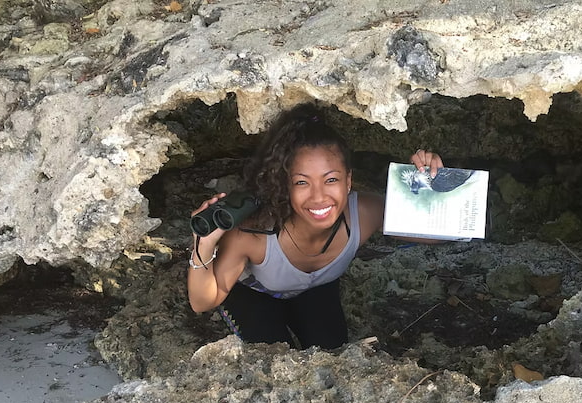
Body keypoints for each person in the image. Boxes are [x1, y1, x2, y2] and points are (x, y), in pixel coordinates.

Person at [187, 102, 444, 350]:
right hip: (254, 295)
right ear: (285, 184)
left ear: (349, 180)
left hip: (316, 291)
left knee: (332, 354)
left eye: (331, 179)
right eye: (301, 182)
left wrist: (429, 185)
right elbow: (202, 301)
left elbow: (440, 234)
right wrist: (204, 242)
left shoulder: (364, 213)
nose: (318, 196)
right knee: (276, 362)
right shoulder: (253, 233)